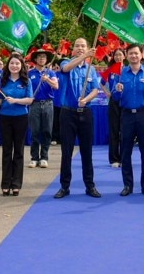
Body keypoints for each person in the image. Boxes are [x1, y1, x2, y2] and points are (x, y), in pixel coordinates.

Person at [54, 38, 101, 198]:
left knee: (86, 152)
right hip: (68, 113)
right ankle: (64, 186)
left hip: (85, 113)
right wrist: (85, 55)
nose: (80, 48)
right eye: (77, 46)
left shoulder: (91, 70)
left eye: (83, 46)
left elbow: (95, 90)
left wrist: (86, 99)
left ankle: (90, 186)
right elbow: (66, 68)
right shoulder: (66, 62)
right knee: (66, 151)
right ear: (73, 49)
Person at [113, 43, 144, 196]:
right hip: (126, 116)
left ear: (141, 55)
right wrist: (117, 91)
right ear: (126, 55)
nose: (133, 56)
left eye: (136, 53)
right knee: (126, 151)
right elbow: (115, 97)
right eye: (130, 53)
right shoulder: (120, 73)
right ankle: (127, 185)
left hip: (143, 115)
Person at [0, 54, 33, 196]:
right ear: (8, 65)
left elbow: (30, 100)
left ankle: (16, 184)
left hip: (21, 117)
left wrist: (15, 100)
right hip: (5, 118)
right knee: (7, 151)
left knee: (19, 151)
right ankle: (5, 183)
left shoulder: (26, 81)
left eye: (17, 63)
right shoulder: (2, 81)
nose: (14, 66)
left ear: (21, 66)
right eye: (12, 63)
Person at [27, 45, 58, 169]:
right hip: (34, 104)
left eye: (44, 57)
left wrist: (47, 80)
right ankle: (34, 157)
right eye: (39, 57)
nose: (41, 59)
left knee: (46, 131)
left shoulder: (50, 72)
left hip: (48, 104)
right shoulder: (30, 73)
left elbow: (56, 86)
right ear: (35, 59)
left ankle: (44, 157)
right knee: (34, 131)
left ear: (46, 59)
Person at [103, 47, 125, 168]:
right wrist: (107, 92)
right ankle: (114, 159)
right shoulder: (110, 70)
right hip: (113, 103)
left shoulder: (127, 70)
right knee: (114, 131)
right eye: (116, 55)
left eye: (120, 55)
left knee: (125, 132)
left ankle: (124, 158)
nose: (118, 57)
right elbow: (100, 82)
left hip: (125, 102)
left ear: (124, 57)